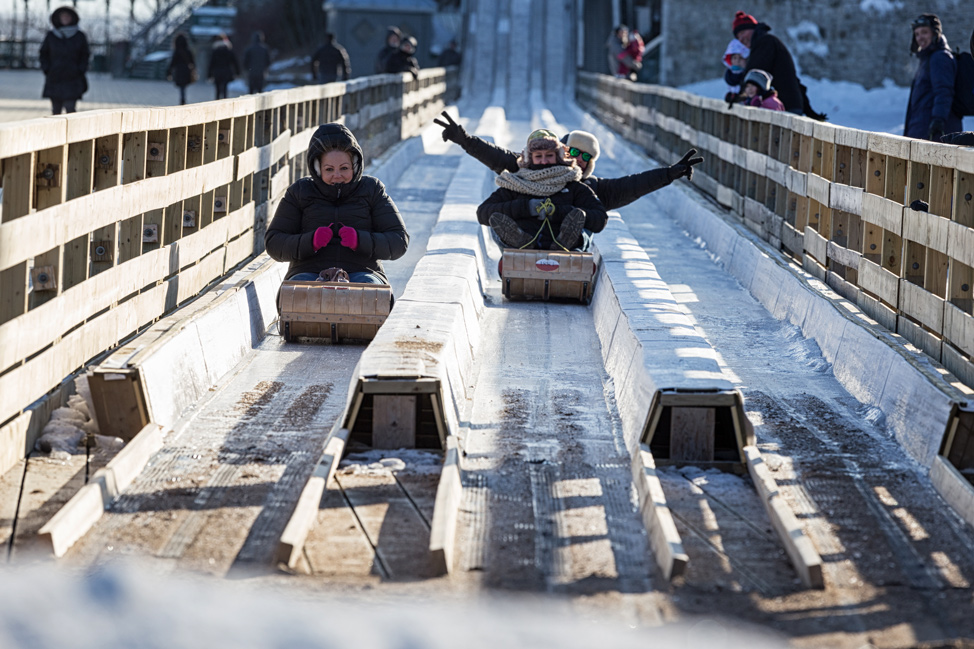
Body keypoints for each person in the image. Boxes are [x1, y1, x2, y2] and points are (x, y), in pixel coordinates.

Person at [433, 111, 702, 212]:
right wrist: (464, 138)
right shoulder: (531, 169)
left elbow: (630, 186)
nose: (580, 160)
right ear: (563, 152)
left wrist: (668, 174)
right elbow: (495, 155)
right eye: (574, 153)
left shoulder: (590, 188)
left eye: (587, 157)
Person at [265, 123, 409, 286]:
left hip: (361, 271)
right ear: (318, 169)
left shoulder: (372, 190)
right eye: (329, 169)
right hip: (309, 271)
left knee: (368, 288)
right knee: (299, 288)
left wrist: (359, 240)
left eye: (344, 168)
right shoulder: (300, 192)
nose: (337, 175)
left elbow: (399, 240)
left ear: (354, 166)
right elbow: (274, 242)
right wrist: (310, 241)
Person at [476, 129, 608, 251]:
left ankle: (564, 242)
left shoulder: (572, 186)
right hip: (523, 244)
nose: (544, 161)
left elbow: (600, 218)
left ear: (558, 157)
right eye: (538, 156)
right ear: (530, 158)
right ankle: (520, 241)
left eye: (549, 155)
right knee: (496, 219)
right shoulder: (517, 185)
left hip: (564, 248)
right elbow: (483, 213)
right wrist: (527, 207)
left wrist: (559, 211)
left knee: (583, 224)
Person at [733, 10, 818, 118]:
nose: (740, 39)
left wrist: (737, 99)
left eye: (742, 33)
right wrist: (807, 109)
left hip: (781, 108)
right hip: (787, 106)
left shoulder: (765, 43)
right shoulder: (767, 43)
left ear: (752, 28)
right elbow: (791, 79)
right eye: (738, 37)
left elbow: (753, 76)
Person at [904, 14, 962, 142]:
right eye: (917, 34)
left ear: (935, 34)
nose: (920, 38)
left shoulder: (940, 58)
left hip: (933, 133)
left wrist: (938, 121)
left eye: (924, 32)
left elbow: (944, 91)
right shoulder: (926, 59)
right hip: (921, 131)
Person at [39, 6, 89, 115]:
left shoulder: (79, 36)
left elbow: (85, 55)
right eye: (63, 16)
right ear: (58, 18)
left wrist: (80, 69)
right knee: (56, 111)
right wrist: (46, 69)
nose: (65, 18)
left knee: (70, 109)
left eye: (67, 16)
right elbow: (43, 53)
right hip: (55, 77)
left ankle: (73, 132)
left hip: (73, 78)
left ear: (73, 18)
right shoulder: (51, 35)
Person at [166, 33, 196, 106]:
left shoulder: (177, 51)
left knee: (181, 86)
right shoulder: (188, 51)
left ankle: (182, 99)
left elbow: (173, 62)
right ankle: (183, 99)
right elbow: (192, 62)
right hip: (186, 70)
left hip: (179, 71)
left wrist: (168, 72)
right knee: (184, 86)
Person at [207, 34, 240, 100]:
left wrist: (209, 75)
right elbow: (234, 62)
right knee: (225, 88)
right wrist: (237, 72)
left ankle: (217, 101)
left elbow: (211, 63)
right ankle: (225, 101)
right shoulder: (228, 50)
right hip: (226, 72)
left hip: (217, 72)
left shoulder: (215, 51)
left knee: (217, 89)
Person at [722, 38, 749, 104]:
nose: (737, 61)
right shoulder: (729, 74)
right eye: (735, 58)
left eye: (741, 58)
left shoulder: (748, 74)